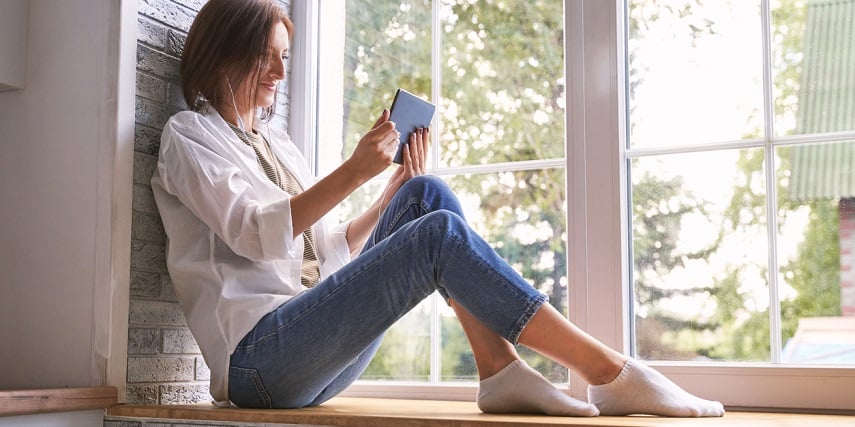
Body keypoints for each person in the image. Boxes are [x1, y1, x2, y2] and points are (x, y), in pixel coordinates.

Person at [151, 0, 725, 418]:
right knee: (437, 231)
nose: (280, 73)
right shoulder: (189, 137)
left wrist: (391, 187)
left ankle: (500, 373)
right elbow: (256, 234)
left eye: (284, 58)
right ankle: (608, 372)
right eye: (267, 59)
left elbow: (328, 251)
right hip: (259, 364)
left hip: (312, 346)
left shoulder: (280, 149)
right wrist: (354, 168)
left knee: (427, 199)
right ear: (226, 53)